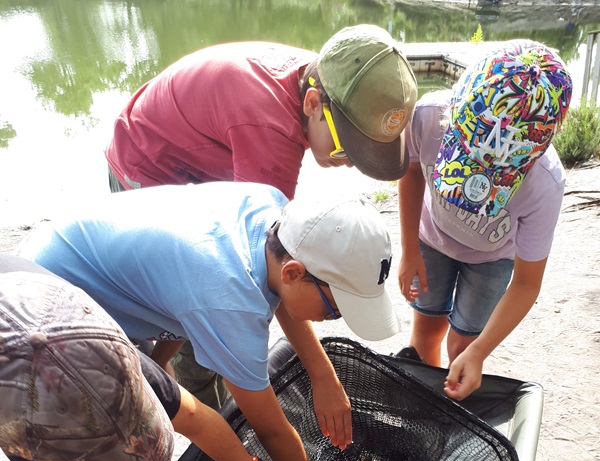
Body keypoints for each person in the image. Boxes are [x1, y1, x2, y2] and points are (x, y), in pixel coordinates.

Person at [19, 180, 399, 461]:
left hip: (64, 256)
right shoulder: (230, 303)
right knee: (138, 447)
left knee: (146, 415)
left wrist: (323, 375)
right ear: (295, 273)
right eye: (335, 309)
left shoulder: (273, 213)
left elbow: (177, 292)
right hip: (46, 314)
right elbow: (271, 429)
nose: (335, 318)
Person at [104, 24, 418, 408]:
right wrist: (322, 376)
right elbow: (277, 264)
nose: (350, 162)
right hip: (146, 165)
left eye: (365, 151)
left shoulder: (324, 76)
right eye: (345, 146)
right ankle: (205, 411)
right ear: (313, 103)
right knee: (201, 314)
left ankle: (183, 381)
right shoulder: (271, 130)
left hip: (199, 166)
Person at [0, 255, 291, 461]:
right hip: (16, 403)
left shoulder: (100, 346)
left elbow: (195, 418)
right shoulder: (22, 432)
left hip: (51, 323)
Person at [397, 39, 572, 401]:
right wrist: (409, 247)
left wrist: (478, 354)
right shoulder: (429, 116)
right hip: (432, 240)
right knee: (426, 329)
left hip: (492, 261)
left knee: (463, 343)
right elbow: (411, 172)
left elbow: (526, 283)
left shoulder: (545, 185)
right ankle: (426, 403)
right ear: (458, 96)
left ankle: (450, 405)